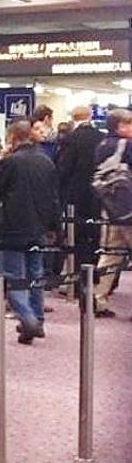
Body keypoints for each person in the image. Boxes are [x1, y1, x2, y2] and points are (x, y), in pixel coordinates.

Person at [0, 119, 60, 344]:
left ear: (13, 138)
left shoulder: (11, 162)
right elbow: (54, 198)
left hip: (12, 226)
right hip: (39, 227)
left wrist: (2, 158)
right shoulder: (46, 162)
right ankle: (37, 319)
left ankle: (28, 319)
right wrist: (54, 228)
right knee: (35, 274)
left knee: (14, 276)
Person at [57, 105, 105, 289]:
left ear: (72, 117)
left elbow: (63, 169)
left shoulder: (70, 139)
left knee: (75, 239)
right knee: (94, 236)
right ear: (90, 116)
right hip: (96, 196)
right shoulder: (101, 137)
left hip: (74, 199)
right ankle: (93, 278)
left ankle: (76, 281)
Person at [92, 109, 132, 319]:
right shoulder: (127, 146)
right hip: (130, 210)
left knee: (110, 255)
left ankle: (97, 299)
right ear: (121, 126)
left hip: (111, 209)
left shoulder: (101, 146)